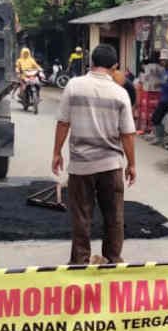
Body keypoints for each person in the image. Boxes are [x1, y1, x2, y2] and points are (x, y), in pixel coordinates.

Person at [52, 44, 136, 264]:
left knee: (81, 217)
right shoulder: (120, 93)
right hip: (111, 166)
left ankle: (79, 263)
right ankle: (113, 260)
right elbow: (128, 134)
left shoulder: (73, 86)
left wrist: (56, 152)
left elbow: (63, 122)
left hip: (81, 166)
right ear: (115, 66)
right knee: (114, 217)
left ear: (91, 63)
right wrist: (132, 164)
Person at [149, 49, 168, 151]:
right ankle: (160, 138)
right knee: (155, 118)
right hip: (164, 99)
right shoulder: (164, 71)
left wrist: (162, 84)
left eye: (164, 60)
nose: (162, 62)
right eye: (161, 60)